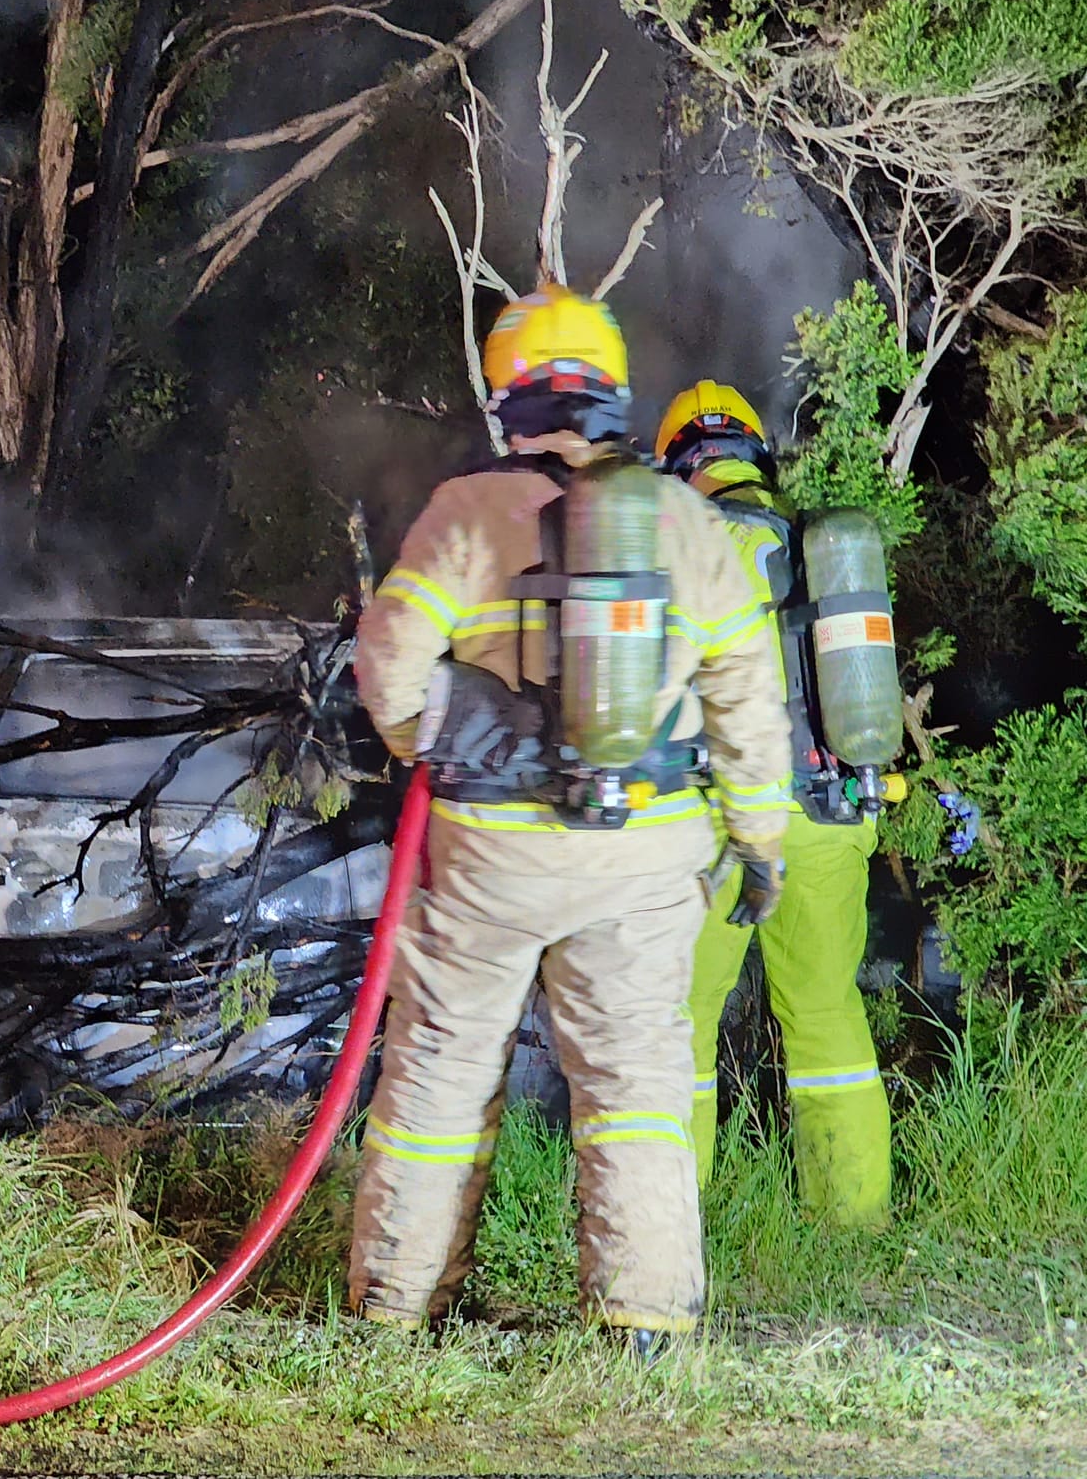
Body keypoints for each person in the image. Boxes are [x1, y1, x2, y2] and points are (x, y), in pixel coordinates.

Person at [347, 286, 792, 1358]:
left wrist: (441, 744)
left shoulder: (464, 511)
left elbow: (385, 668)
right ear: (614, 399)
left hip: (488, 856)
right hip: (643, 849)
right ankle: (640, 1320)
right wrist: (760, 838)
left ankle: (397, 1306)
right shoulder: (683, 520)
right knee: (635, 1079)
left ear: (509, 398)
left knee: (440, 1067)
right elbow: (746, 693)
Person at [655, 380, 893, 1226]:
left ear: (680, 462)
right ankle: (852, 1226)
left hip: (712, 822)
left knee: (678, 1026)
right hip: (829, 811)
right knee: (828, 1019)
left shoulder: (675, 542)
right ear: (755, 455)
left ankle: (671, 1230)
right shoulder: (820, 544)